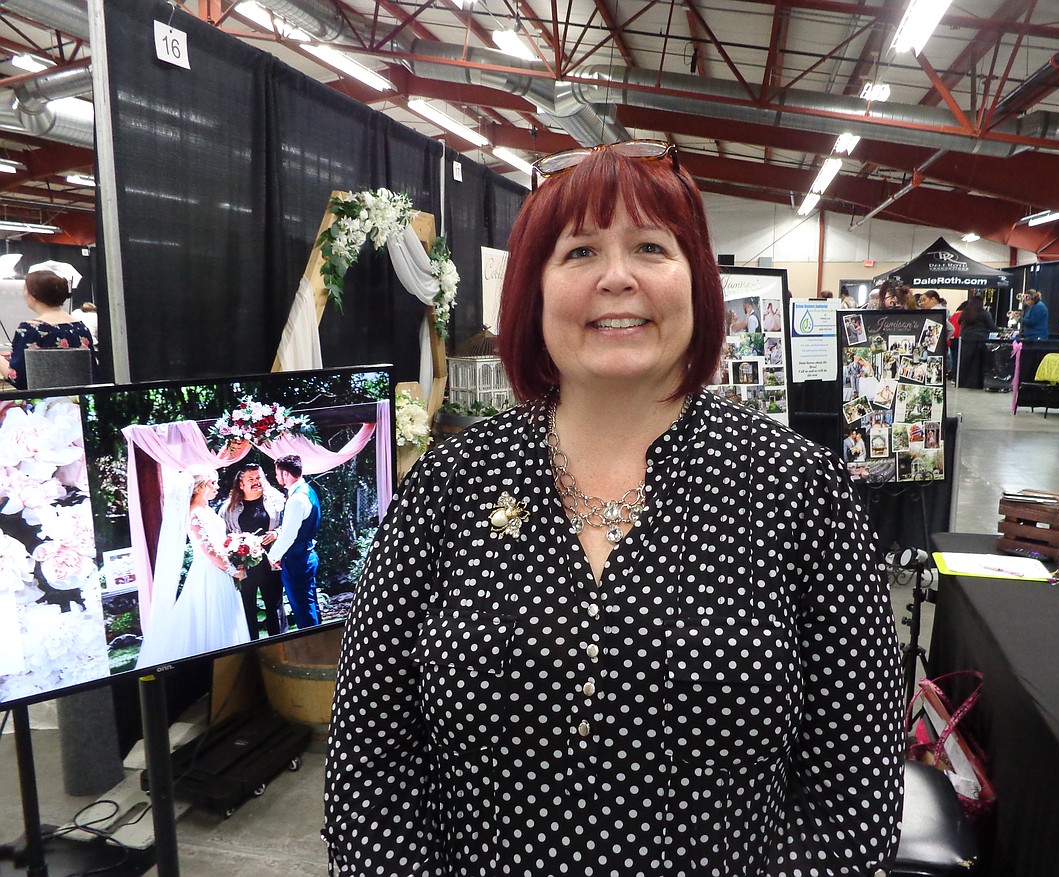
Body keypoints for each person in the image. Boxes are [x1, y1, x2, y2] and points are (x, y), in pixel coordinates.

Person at [323, 141, 904, 875]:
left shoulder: (798, 490)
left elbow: (853, 793)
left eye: (652, 247)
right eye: (580, 252)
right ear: (533, 290)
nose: (618, 277)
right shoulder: (450, 485)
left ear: (698, 282)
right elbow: (370, 762)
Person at [136, 467, 249, 669]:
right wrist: (233, 571)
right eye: (212, 483)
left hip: (221, 571)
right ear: (200, 487)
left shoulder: (206, 510)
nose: (217, 487)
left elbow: (219, 545)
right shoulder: (195, 514)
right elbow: (209, 551)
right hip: (209, 574)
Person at [220, 462, 286, 639]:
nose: (256, 482)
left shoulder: (277, 500)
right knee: (247, 609)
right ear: (241, 484)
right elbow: (222, 537)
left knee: (274, 608)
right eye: (251, 479)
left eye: (259, 478)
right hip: (244, 568)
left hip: (271, 564)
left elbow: (288, 525)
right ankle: (252, 647)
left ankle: (280, 645)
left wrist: (276, 533)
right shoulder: (228, 509)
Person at [0, 270, 97, 390]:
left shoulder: (30, 330)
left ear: (33, 295)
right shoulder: (81, 327)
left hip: (44, 404)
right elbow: (92, 371)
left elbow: (17, 379)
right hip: (77, 402)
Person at [267, 454, 321, 629]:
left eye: (277, 473)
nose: (276, 477)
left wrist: (272, 556)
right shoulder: (307, 490)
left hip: (298, 561)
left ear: (285, 474)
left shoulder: (297, 499)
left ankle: (312, 647)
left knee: (303, 609)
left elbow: (289, 535)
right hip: (307, 555)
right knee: (310, 605)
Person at [956, 294, 995, 388]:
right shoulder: (984, 313)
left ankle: (963, 383)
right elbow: (992, 326)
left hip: (965, 339)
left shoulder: (965, 312)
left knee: (965, 362)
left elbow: (959, 321)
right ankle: (975, 384)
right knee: (977, 364)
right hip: (979, 341)